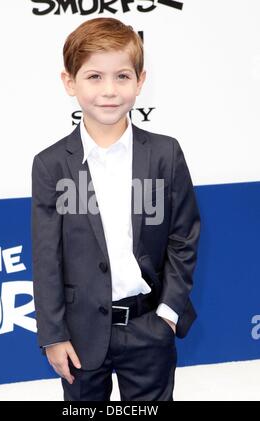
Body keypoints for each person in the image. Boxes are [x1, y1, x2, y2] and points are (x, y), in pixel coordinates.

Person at [31, 17, 201, 401]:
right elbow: (47, 256)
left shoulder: (164, 154)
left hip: (148, 327)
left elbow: (183, 236)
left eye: (122, 76)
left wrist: (168, 315)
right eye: (94, 77)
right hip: (78, 335)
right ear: (69, 82)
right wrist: (53, 335)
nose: (109, 91)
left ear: (140, 81)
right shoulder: (51, 164)